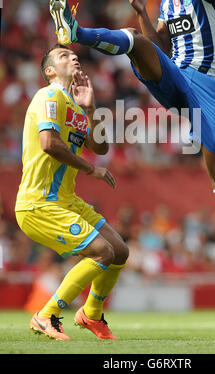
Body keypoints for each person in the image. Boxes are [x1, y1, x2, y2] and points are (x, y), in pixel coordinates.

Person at [49, 0, 215, 304]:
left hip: (210, 88)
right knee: (134, 40)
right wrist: (142, 11)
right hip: (178, 76)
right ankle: (75, 33)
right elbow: (160, 45)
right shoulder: (170, 0)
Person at [15, 44, 129, 340]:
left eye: (74, 54)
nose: (73, 57)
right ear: (50, 71)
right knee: (101, 251)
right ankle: (46, 314)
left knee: (119, 251)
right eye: (63, 56)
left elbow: (100, 147)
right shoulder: (48, 95)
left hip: (66, 199)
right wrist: (92, 170)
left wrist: (90, 110)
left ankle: (90, 314)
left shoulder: (74, 104)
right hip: (38, 202)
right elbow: (49, 143)